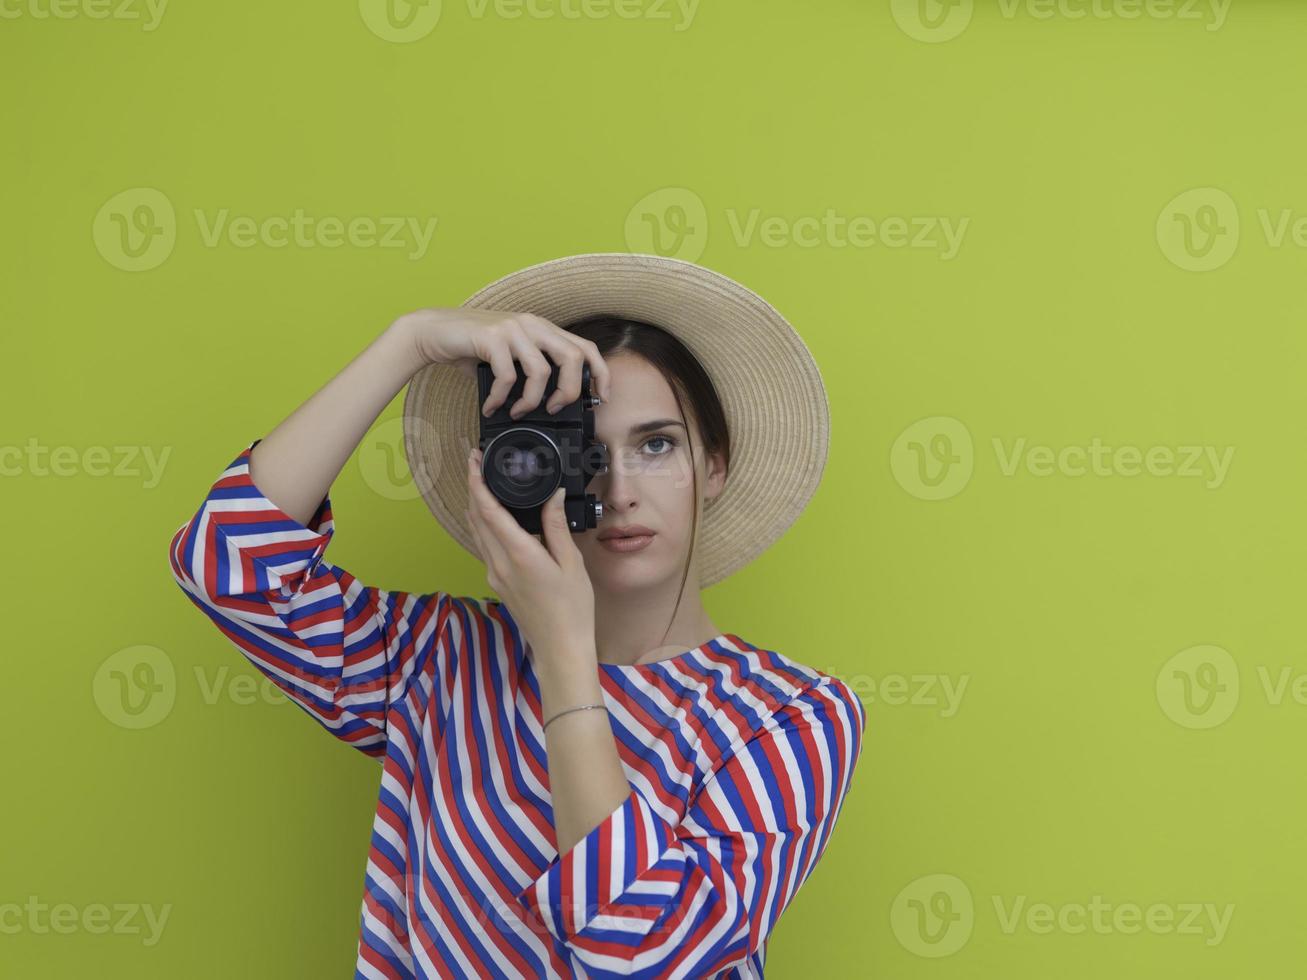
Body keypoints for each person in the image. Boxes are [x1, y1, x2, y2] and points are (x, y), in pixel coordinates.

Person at [168, 253, 867, 979]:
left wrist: (563, 654)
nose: (620, 488)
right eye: (584, 453)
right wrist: (406, 344)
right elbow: (225, 566)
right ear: (519, 467)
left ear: (713, 465)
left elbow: (636, 955)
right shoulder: (438, 658)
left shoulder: (789, 717)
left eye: (656, 444)